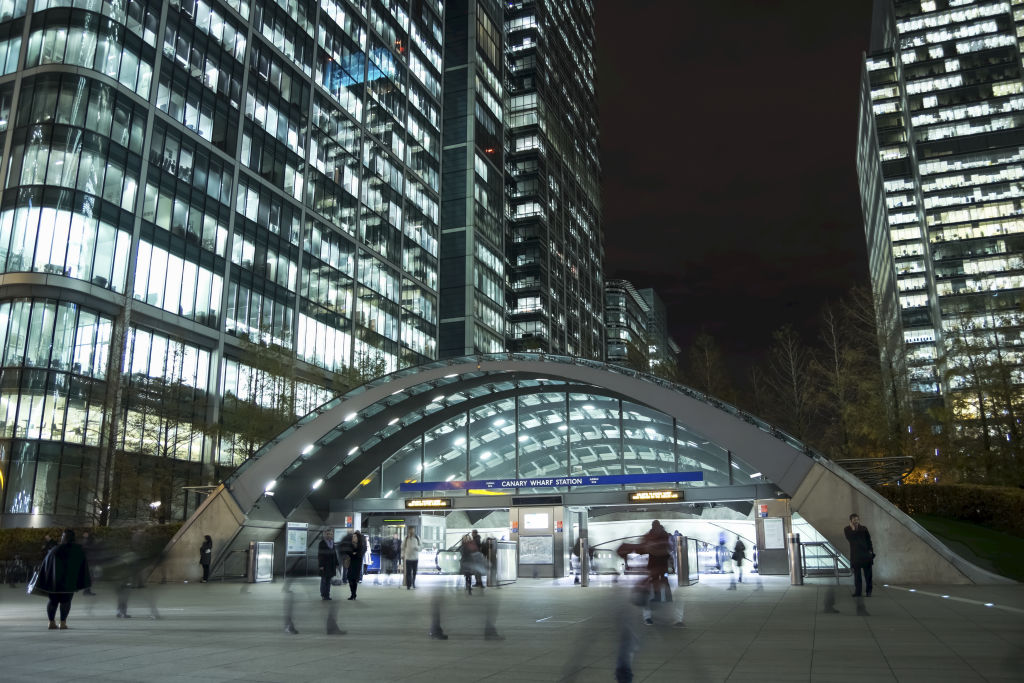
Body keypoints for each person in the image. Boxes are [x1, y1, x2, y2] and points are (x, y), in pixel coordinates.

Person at [37, 528, 91, 630]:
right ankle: (62, 623)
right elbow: (82, 566)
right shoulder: (78, 550)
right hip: (69, 582)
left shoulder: (55, 549)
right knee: (66, 601)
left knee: (53, 601)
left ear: (63, 537)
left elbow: (46, 564)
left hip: (54, 582)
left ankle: (51, 622)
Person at [844, 513, 875, 597]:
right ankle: (858, 592)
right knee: (857, 576)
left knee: (868, 575)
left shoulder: (864, 528)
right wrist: (853, 529)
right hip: (856, 555)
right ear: (850, 521)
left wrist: (870, 551)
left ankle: (869, 592)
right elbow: (850, 539)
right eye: (854, 520)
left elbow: (869, 540)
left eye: (857, 519)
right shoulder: (847, 529)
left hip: (865, 555)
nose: (856, 521)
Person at [342, 531, 367, 600]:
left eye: (355, 536)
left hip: (357, 564)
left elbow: (359, 555)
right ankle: (353, 594)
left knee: (354, 579)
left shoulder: (361, 545)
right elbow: (347, 552)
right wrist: (353, 553)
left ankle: (353, 594)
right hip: (351, 563)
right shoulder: (350, 545)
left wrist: (353, 554)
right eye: (353, 536)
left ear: (358, 538)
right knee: (350, 578)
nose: (353, 538)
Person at [317, 531, 340, 600]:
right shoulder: (322, 543)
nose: (329, 535)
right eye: (328, 534)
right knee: (324, 580)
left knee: (329, 581)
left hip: (331, 565)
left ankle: (327, 594)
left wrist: (337, 563)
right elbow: (320, 555)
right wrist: (321, 565)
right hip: (324, 565)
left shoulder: (333, 544)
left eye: (331, 534)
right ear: (325, 535)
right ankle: (323, 595)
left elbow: (335, 554)